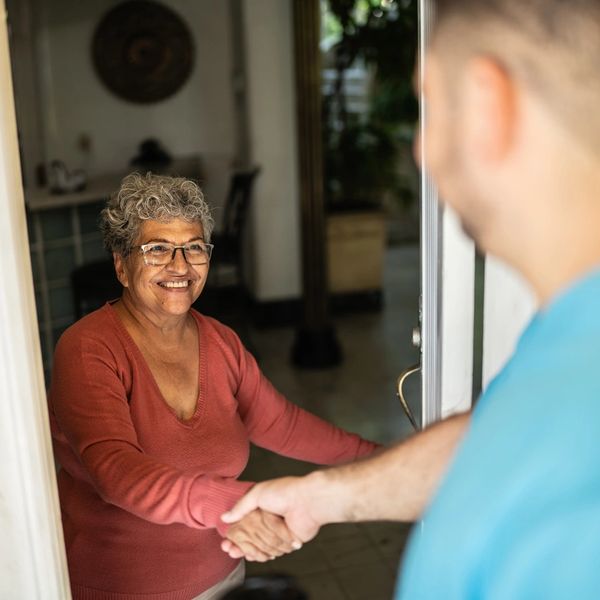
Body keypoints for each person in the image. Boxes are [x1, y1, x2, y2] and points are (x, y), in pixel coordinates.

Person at [221, 0, 600, 597]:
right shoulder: (571, 335)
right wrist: (325, 497)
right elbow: (498, 438)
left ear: (486, 105)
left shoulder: (575, 504)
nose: (421, 151)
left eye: (430, 104)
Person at [48, 172, 380, 600]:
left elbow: (281, 423)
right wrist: (231, 505)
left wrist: (386, 461)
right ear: (121, 265)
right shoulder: (87, 349)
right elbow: (117, 473)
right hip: (122, 588)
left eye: (194, 248)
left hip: (223, 578)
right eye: (157, 249)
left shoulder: (220, 341)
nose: (180, 266)